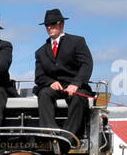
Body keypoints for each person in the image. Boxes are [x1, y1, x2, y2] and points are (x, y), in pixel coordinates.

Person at [34, 8, 94, 139]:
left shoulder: (77, 42)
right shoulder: (40, 51)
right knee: (43, 93)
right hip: (55, 87)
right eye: (47, 25)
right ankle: (50, 132)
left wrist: (76, 84)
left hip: (75, 86)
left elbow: (86, 64)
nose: (50, 27)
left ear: (61, 24)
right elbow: (39, 76)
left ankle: (68, 136)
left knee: (79, 98)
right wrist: (51, 82)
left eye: (53, 23)